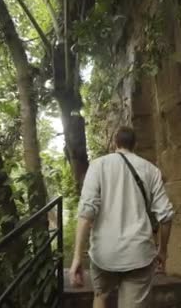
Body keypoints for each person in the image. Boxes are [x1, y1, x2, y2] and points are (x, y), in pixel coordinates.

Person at [69, 126, 174, 308]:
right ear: (135, 144)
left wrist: (77, 256)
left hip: (104, 252)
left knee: (100, 296)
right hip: (139, 254)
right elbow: (165, 216)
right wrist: (162, 251)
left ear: (115, 143)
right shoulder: (151, 170)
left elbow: (86, 212)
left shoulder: (98, 166)